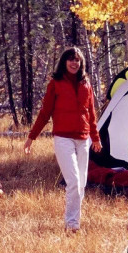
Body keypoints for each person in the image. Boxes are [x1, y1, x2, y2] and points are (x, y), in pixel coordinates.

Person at [23, 46, 102, 233]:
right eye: (70, 59)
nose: (74, 63)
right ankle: (72, 225)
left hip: (83, 139)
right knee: (73, 181)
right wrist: (31, 137)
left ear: (81, 62)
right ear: (64, 62)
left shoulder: (86, 83)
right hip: (63, 138)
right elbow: (45, 112)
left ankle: (74, 220)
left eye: (77, 60)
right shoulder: (55, 83)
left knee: (81, 184)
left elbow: (91, 113)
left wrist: (95, 137)